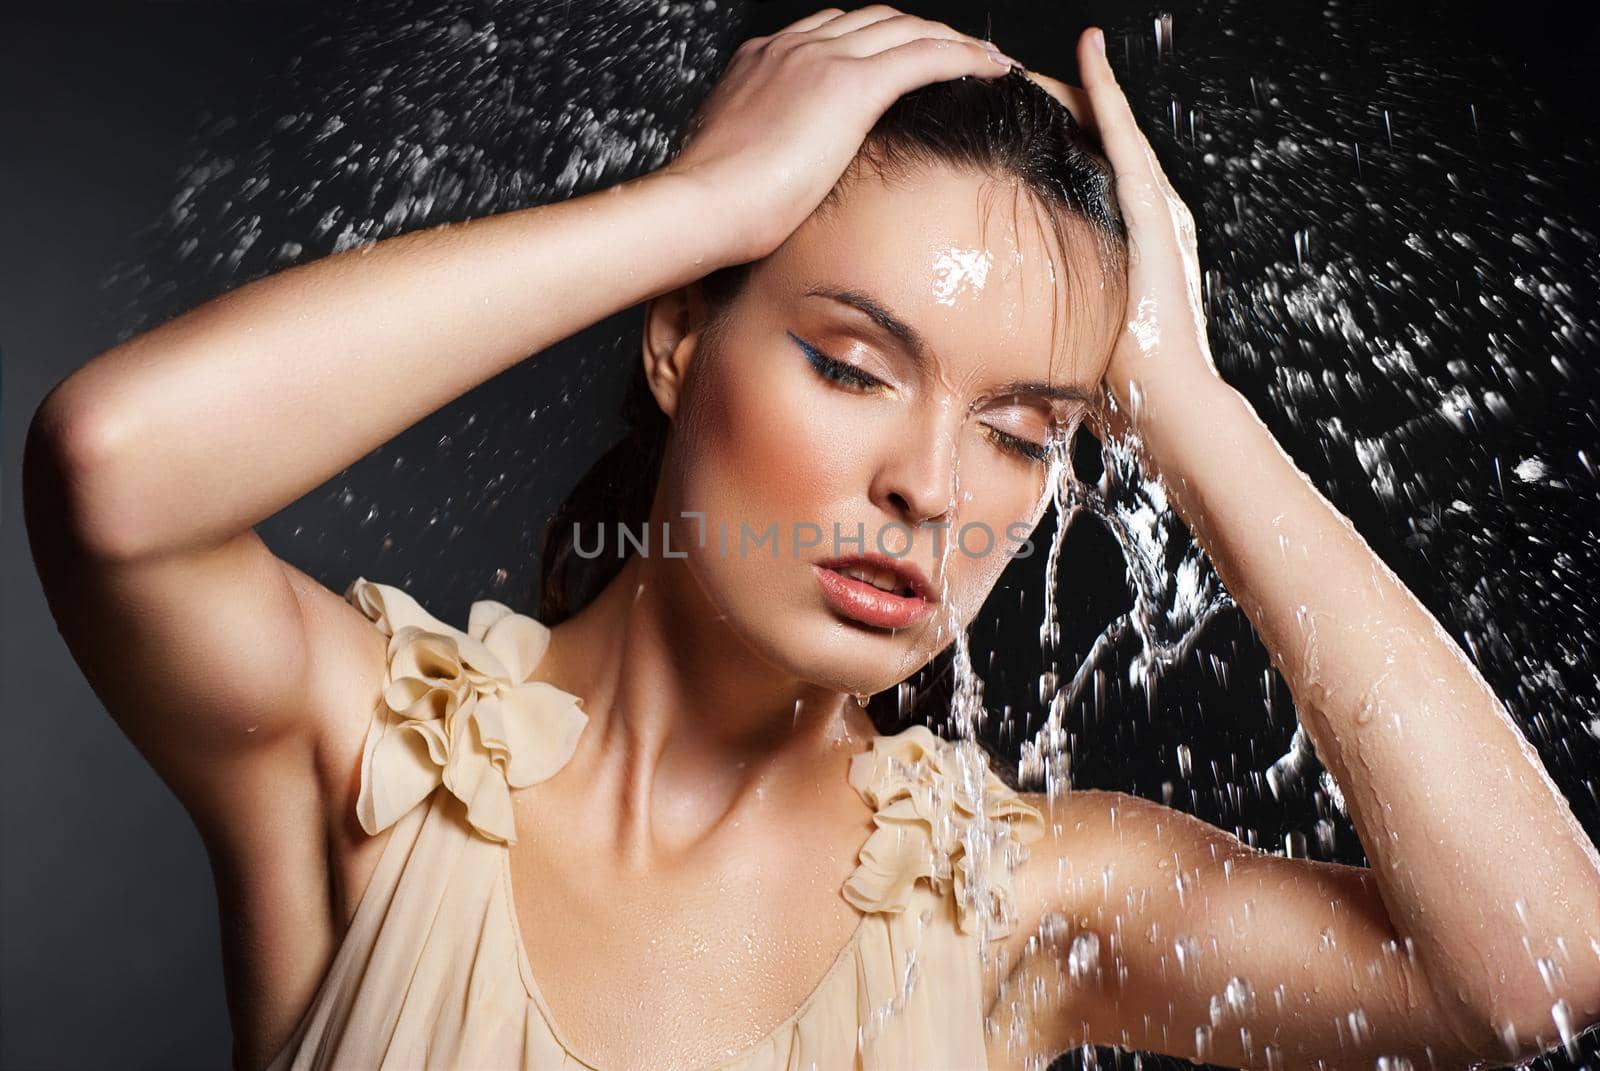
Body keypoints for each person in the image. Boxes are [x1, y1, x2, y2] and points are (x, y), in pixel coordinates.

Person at [22, 6, 1600, 1070]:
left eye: (1023, 430)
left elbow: (1534, 965)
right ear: (676, 344)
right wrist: (704, 206)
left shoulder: (1015, 902)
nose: (930, 484)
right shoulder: (369, 763)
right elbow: (115, 470)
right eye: (851, 364)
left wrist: (1187, 399)